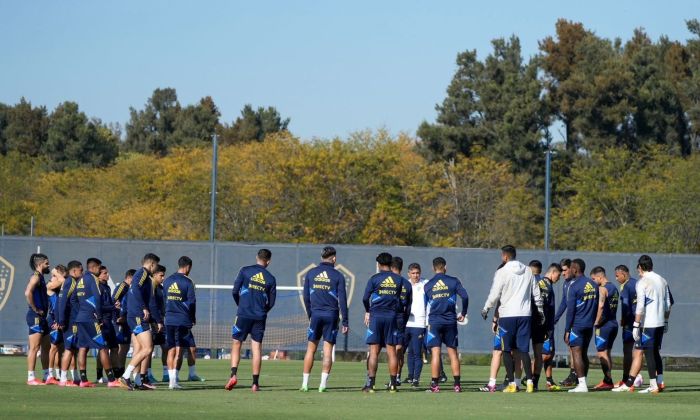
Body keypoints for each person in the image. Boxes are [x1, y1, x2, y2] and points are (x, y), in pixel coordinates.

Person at [481, 246, 542, 393]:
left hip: (507, 315)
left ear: (504, 257)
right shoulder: (528, 270)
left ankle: (512, 385)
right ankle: (529, 382)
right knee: (523, 350)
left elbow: (495, 293)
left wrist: (486, 307)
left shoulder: (502, 272)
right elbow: (536, 292)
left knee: (506, 350)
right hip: (525, 315)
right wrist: (540, 310)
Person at [613, 255, 672, 394]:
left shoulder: (642, 282)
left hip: (648, 324)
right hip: (660, 323)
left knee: (649, 353)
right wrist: (666, 321)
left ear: (640, 267)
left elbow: (640, 307)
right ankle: (659, 381)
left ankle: (653, 385)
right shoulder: (662, 280)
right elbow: (668, 304)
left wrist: (635, 324)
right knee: (655, 352)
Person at [226, 249, 277, 392]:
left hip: (243, 314)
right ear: (268, 261)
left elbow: (235, 291)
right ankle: (255, 383)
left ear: (257, 258)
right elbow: (271, 302)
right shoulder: (271, 278)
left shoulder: (245, 271)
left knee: (236, 343)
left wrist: (241, 305)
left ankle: (233, 375)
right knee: (256, 348)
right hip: (259, 316)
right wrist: (262, 311)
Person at [300, 246, 349, 392]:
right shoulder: (338, 276)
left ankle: (305, 384)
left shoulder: (311, 273)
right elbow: (343, 301)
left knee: (311, 349)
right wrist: (345, 321)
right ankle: (322, 385)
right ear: (334, 258)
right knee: (327, 351)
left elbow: (306, 297)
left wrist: (310, 314)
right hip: (331, 315)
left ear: (322, 258)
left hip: (315, 314)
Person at [424, 257, 469, 393]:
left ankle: (435, 385)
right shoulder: (453, 281)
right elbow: (465, 296)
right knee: (453, 353)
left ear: (433, 268)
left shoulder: (428, 285)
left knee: (435, 353)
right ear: (445, 267)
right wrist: (464, 312)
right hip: (450, 321)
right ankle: (457, 385)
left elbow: (425, 305)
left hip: (435, 322)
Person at [361, 252, 403, 393]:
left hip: (376, 317)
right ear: (391, 264)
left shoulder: (374, 279)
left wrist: (368, 310)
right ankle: (393, 385)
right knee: (391, 352)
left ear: (378, 264)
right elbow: (400, 300)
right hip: (391, 317)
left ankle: (371, 385)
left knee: (373, 352)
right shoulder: (398, 280)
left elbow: (365, 298)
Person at [118, 253, 161, 390]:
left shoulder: (145, 277)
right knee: (148, 348)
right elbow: (135, 288)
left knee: (140, 349)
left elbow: (148, 300)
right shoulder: (142, 273)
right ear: (152, 264)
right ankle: (125, 376)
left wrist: (154, 320)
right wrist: (143, 308)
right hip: (137, 316)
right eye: (156, 266)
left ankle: (137, 381)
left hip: (135, 315)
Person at [75, 257, 118, 388]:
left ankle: (83, 380)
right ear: (93, 267)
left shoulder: (80, 280)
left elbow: (74, 299)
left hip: (81, 318)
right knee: (103, 348)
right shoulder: (92, 279)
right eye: (99, 268)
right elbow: (97, 299)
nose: (100, 271)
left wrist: (80, 311)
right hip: (91, 318)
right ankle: (111, 380)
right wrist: (99, 317)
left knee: (83, 347)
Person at [563, 258, 598, 393]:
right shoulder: (593, 284)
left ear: (575, 269)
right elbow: (595, 306)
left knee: (576, 353)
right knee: (583, 354)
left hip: (577, 325)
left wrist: (567, 330)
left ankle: (582, 384)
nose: (569, 270)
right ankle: (583, 382)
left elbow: (570, 310)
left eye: (570, 268)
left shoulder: (574, 286)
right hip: (589, 325)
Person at [163, 256, 197, 390]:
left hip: (169, 319)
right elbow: (192, 302)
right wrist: (193, 317)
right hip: (182, 320)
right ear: (188, 267)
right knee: (179, 350)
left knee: (171, 349)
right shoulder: (188, 282)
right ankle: (174, 380)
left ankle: (172, 381)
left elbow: (164, 300)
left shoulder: (167, 281)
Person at [532, 263, 562, 391]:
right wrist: (546, 324)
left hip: (539, 323)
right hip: (544, 326)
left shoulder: (540, 283)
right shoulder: (546, 286)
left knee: (547, 353)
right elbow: (544, 306)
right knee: (545, 354)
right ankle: (533, 380)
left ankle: (547, 380)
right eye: (558, 275)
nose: (559, 278)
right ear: (553, 272)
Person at [613, 265, 643, 388]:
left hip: (630, 323)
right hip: (641, 321)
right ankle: (656, 378)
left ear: (624, 275)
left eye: (617, 276)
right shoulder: (637, 283)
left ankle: (627, 379)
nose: (616, 278)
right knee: (644, 351)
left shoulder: (625, 287)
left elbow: (625, 306)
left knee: (627, 351)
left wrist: (623, 320)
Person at [590, 266, 619, 390]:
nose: (592, 282)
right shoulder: (614, 288)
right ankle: (608, 379)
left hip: (604, 326)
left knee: (601, 353)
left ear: (600, 277)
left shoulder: (602, 289)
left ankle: (608, 381)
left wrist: (596, 322)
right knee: (607, 353)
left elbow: (601, 306)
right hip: (613, 324)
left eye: (593, 279)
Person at [25, 253, 51, 385]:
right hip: (35, 316)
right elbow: (27, 292)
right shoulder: (35, 276)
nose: (48, 265)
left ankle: (47, 376)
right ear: (40, 264)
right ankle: (31, 378)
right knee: (34, 348)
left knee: (46, 346)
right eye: (47, 263)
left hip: (42, 318)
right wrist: (35, 308)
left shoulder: (40, 277)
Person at [553, 258, 577, 386]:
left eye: (565, 270)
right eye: (561, 271)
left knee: (575, 348)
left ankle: (575, 375)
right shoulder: (566, 284)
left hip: (578, 321)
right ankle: (575, 374)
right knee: (572, 348)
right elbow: (564, 303)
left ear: (572, 269)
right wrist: (555, 319)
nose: (562, 273)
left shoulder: (576, 283)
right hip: (571, 321)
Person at [57, 260, 82, 387]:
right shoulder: (71, 282)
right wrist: (61, 320)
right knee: (68, 350)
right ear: (74, 271)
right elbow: (62, 301)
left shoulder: (71, 281)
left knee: (72, 349)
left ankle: (75, 378)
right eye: (80, 270)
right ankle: (62, 379)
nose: (82, 273)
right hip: (70, 321)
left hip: (72, 321)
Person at [403, 263, 427, 387]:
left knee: (417, 352)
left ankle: (416, 379)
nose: (415, 275)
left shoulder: (425, 284)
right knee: (408, 352)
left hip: (419, 323)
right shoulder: (404, 284)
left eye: (417, 273)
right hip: (406, 323)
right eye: (413, 273)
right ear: (409, 274)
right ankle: (410, 376)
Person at [96, 265, 119, 384]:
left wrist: (114, 306)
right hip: (102, 322)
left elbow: (108, 304)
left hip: (108, 321)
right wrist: (112, 307)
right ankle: (105, 377)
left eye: (107, 272)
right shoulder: (98, 287)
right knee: (103, 349)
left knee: (115, 348)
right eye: (104, 273)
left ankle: (115, 375)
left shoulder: (107, 287)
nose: (107, 275)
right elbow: (98, 307)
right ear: (98, 275)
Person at [391, 256, 412, 387]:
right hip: (401, 318)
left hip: (388, 316)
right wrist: (405, 319)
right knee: (399, 348)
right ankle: (397, 377)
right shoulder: (407, 283)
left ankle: (371, 380)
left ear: (392, 267)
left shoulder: (388, 281)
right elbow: (409, 305)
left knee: (386, 348)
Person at [45, 265, 68, 385]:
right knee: (53, 348)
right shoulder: (49, 285)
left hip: (61, 320)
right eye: (54, 276)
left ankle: (59, 375)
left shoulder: (61, 286)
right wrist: (56, 274)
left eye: (55, 276)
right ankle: (49, 374)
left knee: (61, 349)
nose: (54, 278)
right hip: (53, 321)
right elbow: (63, 280)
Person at [147, 264, 167, 384]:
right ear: (154, 275)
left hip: (160, 321)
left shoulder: (161, 288)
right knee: (149, 348)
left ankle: (166, 374)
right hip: (153, 322)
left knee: (166, 347)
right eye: (161, 275)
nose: (163, 277)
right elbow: (151, 305)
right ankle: (147, 374)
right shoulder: (150, 287)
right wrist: (156, 321)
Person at [113, 269, 135, 378]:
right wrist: (118, 316)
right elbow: (113, 300)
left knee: (125, 348)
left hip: (126, 321)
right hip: (120, 322)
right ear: (129, 278)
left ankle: (120, 371)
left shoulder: (130, 289)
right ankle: (117, 373)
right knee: (120, 348)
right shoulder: (123, 286)